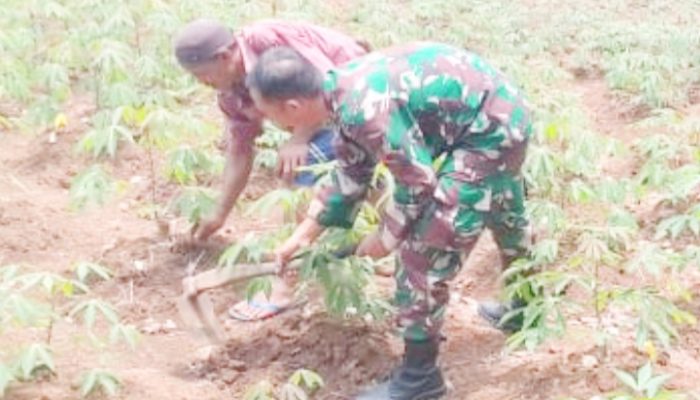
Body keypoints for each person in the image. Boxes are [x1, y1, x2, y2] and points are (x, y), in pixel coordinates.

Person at [247, 43, 532, 399]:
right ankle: (527, 310)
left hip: (489, 131)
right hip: (499, 111)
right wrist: (301, 237)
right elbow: (351, 171)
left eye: (271, 116)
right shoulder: (339, 90)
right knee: (504, 209)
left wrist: (386, 237)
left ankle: (420, 378)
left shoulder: (363, 110)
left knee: (422, 253)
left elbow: (418, 183)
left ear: (292, 107)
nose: (275, 125)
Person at [173, 19, 368, 321]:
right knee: (357, 174)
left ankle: (285, 283)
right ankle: (385, 240)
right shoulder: (230, 94)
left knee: (299, 168)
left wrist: (300, 137)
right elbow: (240, 148)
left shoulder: (267, 40)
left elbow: (327, 84)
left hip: (360, 94)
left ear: (225, 57)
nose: (202, 83)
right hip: (332, 111)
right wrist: (219, 213)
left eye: (202, 75)